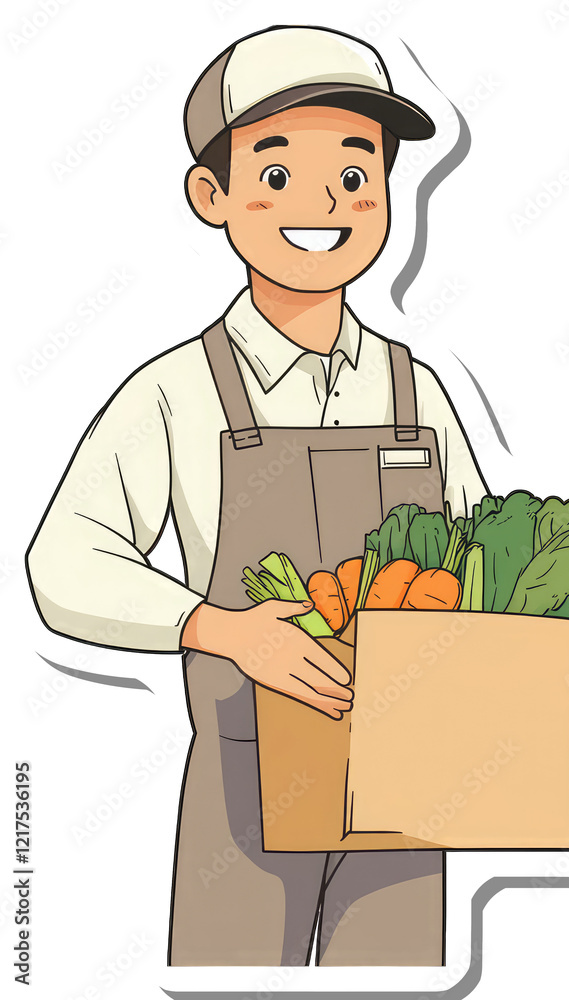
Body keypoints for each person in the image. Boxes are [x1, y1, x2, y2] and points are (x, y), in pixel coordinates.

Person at [26, 25, 489, 966]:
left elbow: (485, 571)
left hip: (404, 793)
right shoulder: (176, 393)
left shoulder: (417, 392)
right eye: (277, 174)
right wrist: (223, 628)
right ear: (213, 196)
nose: (325, 202)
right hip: (244, 799)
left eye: (358, 174)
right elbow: (62, 562)